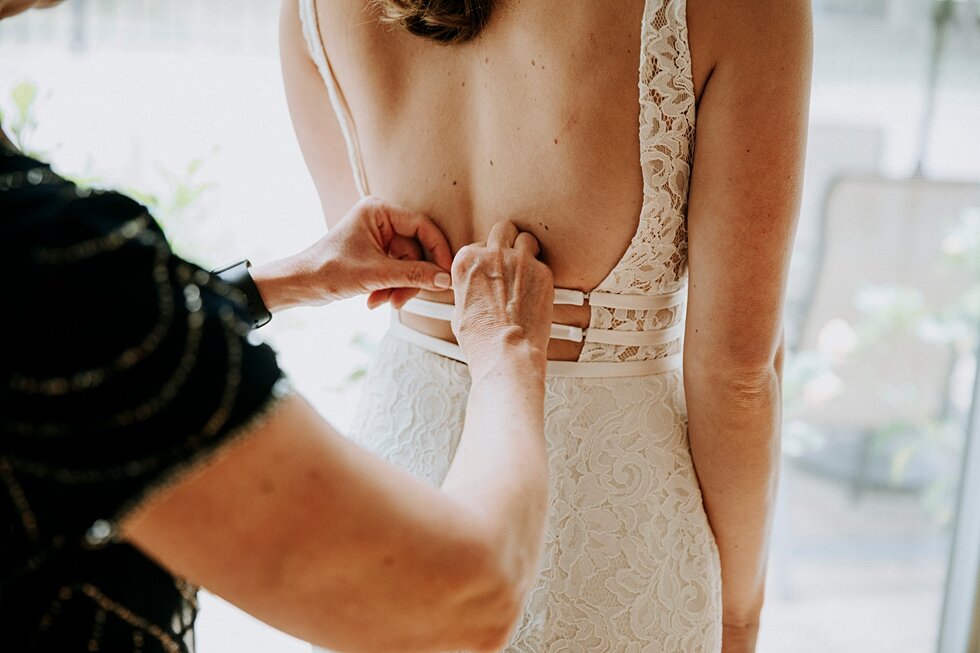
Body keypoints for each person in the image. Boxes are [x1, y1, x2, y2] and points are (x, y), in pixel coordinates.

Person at [0, 4, 558, 650]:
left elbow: (59, 347)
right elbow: (466, 600)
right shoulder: (44, 259)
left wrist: (284, 279)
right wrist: (507, 353)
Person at [282, 0, 811, 651]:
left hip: (396, 503)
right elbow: (736, 375)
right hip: (612, 544)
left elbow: (374, 268)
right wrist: (739, 616)